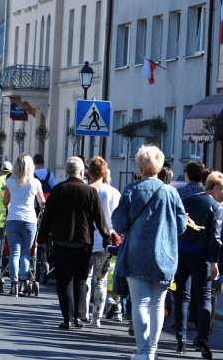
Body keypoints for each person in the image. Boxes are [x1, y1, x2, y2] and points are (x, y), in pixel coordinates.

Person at [111, 145, 187, 359]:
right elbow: (181, 227)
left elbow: (119, 223)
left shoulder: (132, 190)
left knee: (140, 303)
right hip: (165, 256)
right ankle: (152, 351)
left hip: (137, 254)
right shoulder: (172, 193)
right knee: (157, 304)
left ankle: (144, 351)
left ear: (140, 167)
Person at [37, 156, 111, 330]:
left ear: (66, 171)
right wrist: (106, 238)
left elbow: (48, 217)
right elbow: (99, 219)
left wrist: (41, 239)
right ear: (81, 172)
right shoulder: (90, 192)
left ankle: (66, 319)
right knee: (80, 280)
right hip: (83, 242)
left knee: (64, 281)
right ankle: (79, 316)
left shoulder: (58, 190)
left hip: (62, 241)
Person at [174, 171, 223, 357]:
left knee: (181, 296)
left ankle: (180, 339)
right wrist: (215, 261)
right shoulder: (217, 207)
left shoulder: (188, 200)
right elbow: (216, 238)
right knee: (203, 297)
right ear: (216, 187)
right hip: (200, 256)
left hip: (181, 253)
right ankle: (202, 339)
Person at [85, 157, 121, 327]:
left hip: (86, 239)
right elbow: (119, 219)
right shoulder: (114, 192)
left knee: (85, 279)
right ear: (105, 172)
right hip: (106, 240)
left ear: (89, 172)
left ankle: (82, 312)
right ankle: (96, 317)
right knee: (101, 280)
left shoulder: (85, 190)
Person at [3, 154, 45, 295]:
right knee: (26, 253)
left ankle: (13, 284)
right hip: (29, 220)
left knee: (14, 253)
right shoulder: (35, 183)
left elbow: (5, 202)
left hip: (13, 218)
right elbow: (41, 202)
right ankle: (23, 281)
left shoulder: (10, 182)